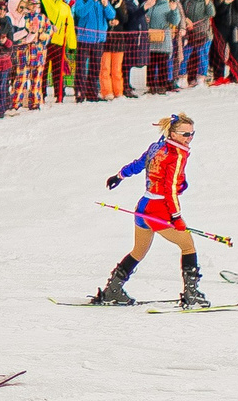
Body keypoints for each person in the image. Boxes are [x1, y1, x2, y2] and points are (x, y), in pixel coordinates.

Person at [87, 112, 205, 307]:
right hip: (158, 208)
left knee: (139, 250)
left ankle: (113, 290)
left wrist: (119, 176)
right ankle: (192, 294)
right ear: (173, 133)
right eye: (185, 134)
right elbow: (169, 190)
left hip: (143, 206)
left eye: (192, 134)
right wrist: (176, 217)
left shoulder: (156, 147)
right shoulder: (176, 155)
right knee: (188, 246)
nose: (189, 138)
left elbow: (139, 164)